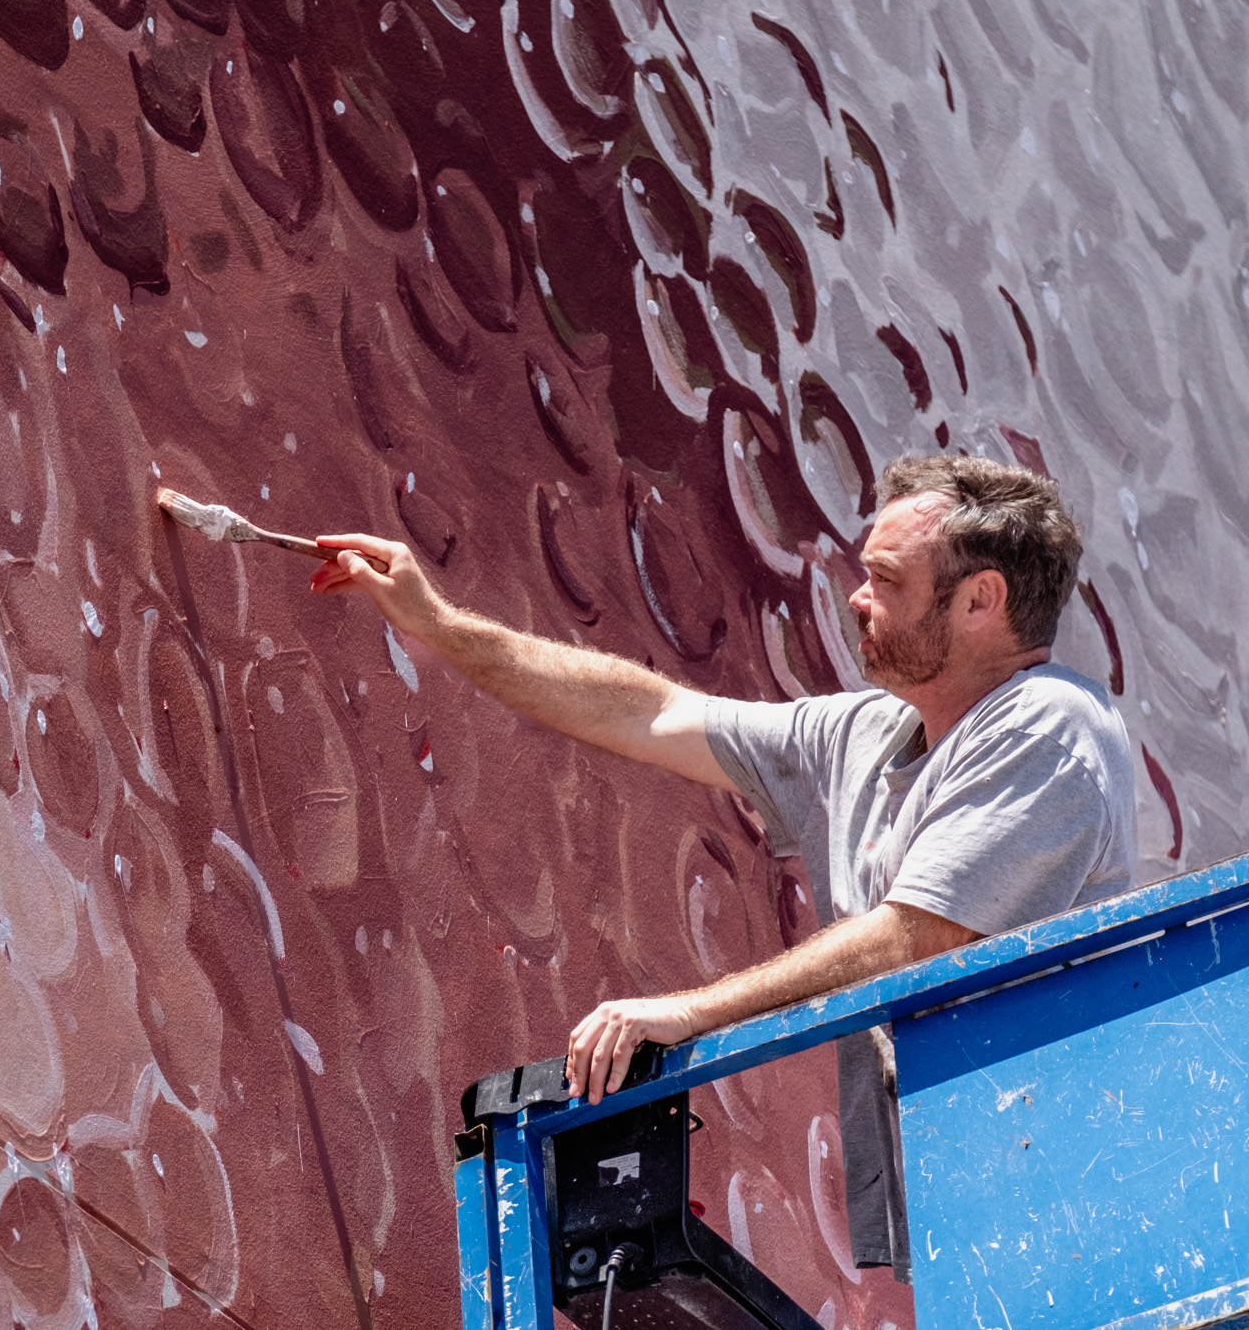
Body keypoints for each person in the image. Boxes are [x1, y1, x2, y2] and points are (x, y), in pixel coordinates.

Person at [308, 455, 1135, 1280]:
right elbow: (651, 711)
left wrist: (688, 1013)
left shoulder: (1049, 727)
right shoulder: (864, 735)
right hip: (972, 1211)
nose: (856, 596)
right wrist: (439, 624)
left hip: (1071, 1198)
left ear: (980, 600)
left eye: (885, 579)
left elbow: (915, 938)